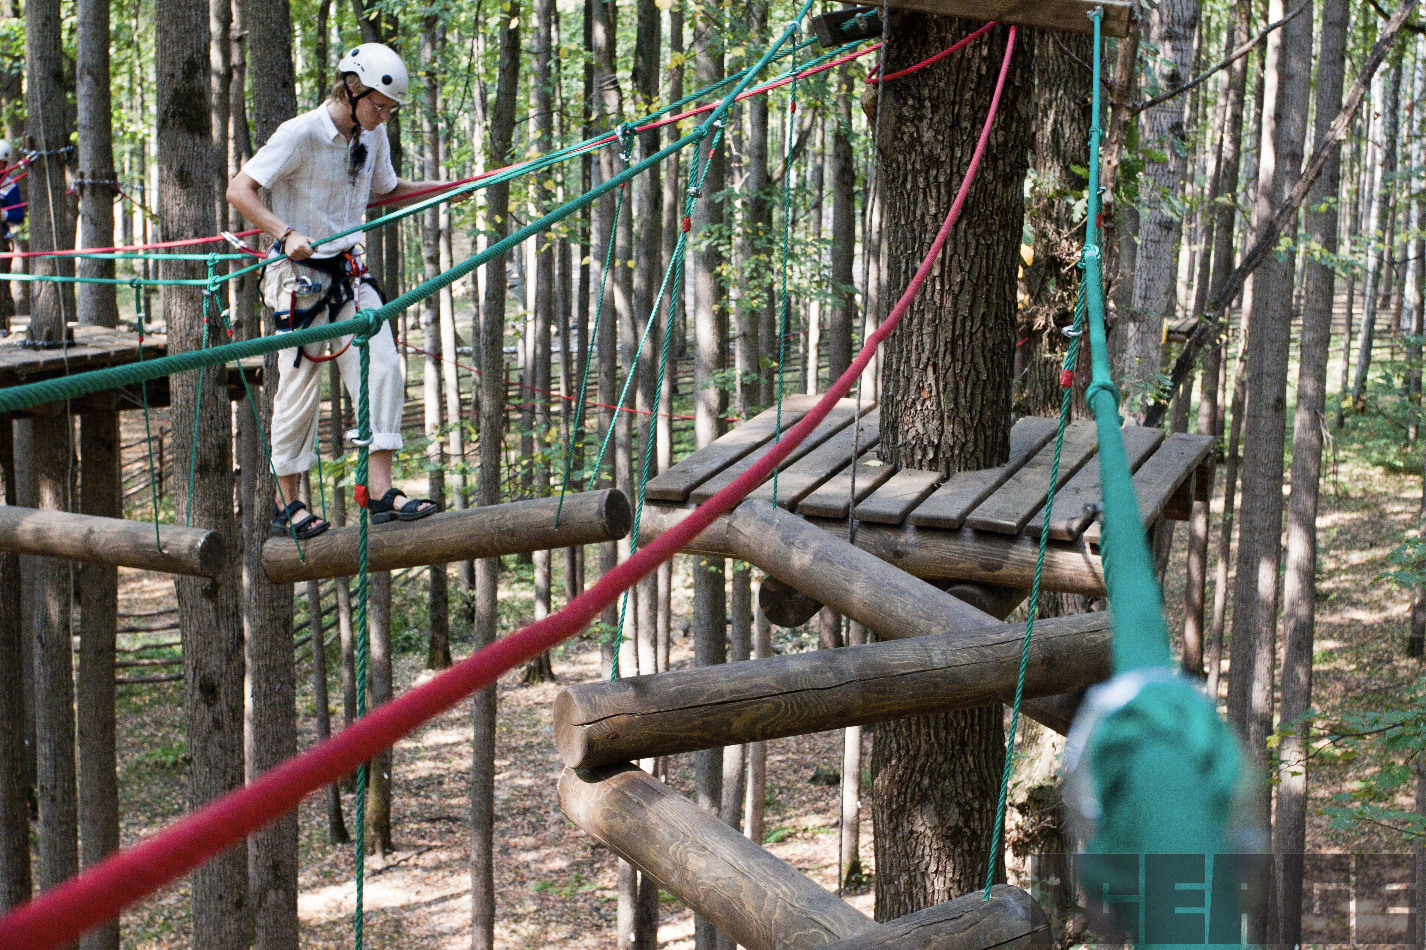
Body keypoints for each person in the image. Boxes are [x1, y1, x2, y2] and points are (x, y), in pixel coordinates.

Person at [228, 43, 460, 539]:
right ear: (351, 88)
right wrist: (284, 233)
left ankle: (379, 491)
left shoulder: (371, 137)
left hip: (351, 273)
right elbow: (240, 189)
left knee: (385, 366)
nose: (384, 115)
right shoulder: (300, 133)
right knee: (298, 390)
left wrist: (444, 187)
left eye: (391, 109)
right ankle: (285, 501)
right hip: (300, 279)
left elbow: (384, 190)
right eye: (379, 104)